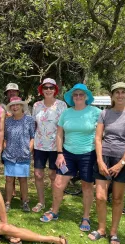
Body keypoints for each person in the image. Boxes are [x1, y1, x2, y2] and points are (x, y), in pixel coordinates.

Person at [40, 84, 101, 232]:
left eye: (81, 94)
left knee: (86, 186)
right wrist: (60, 153)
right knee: (58, 184)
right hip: (67, 154)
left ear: (86, 96)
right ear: (72, 98)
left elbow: (101, 135)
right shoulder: (66, 113)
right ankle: (54, 211)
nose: (78, 97)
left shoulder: (96, 112)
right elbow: (59, 134)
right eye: (75, 95)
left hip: (88, 154)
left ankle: (85, 217)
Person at [88, 82, 125, 244]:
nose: (120, 95)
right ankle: (102, 229)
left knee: (117, 198)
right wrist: (99, 160)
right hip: (104, 157)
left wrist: (121, 163)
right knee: (100, 196)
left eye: (123, 92)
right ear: (112, 95)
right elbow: (98, 138)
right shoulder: (105, 113)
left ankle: (113, 232)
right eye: (116, 92)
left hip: (123, 160)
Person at [32, 78, 67, 213]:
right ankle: (41, 202)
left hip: (55, 147)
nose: (48, 90)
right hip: (39, 145)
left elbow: (63, 126)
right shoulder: (36, 106)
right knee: (38, 174)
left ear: (55, 90)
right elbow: (34, 124)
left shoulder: (62, 105)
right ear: (42, 90)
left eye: (51, 87)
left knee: (53, 175)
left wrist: (62, 150)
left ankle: (54, 204)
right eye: (45, 87)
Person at [2, 97, 35, 212]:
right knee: (9, 179)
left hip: (24, 154)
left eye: (17, 105)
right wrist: (6, 148)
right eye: (12, 105)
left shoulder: (29, 120)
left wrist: (29, 149)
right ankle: (7, 202)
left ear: (22, 106)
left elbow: (33, 137)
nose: (15, 107)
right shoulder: (7, 121)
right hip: (10, 155)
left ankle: (25, 202)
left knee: (23, 180)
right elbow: (4, 138)